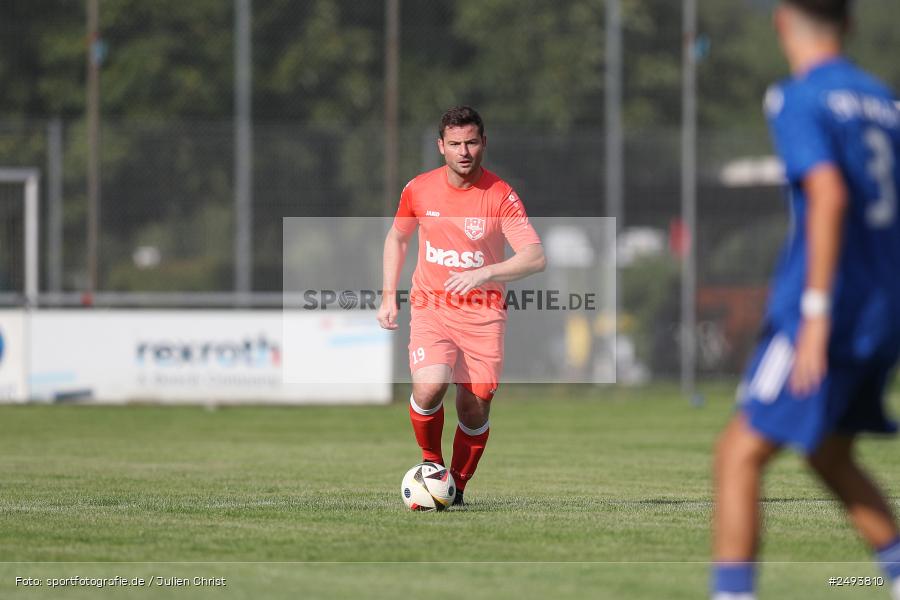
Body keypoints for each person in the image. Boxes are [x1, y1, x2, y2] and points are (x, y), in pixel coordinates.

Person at [711, 1, 900, 598]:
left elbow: (828, 193)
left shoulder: (799, 96)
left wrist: (815, 313)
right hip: (882, 306)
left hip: (829, 307)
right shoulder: (883, 104)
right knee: (829, 453)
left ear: (781, 21)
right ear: (848, 24)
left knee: (738, 455)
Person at [377, 106, 546, 506]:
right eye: (455, 144)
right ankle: (431, 465)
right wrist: (388, 294)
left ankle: (455, 490)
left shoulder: (500, 194)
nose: (464, 151)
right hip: (431, 307)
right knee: (430, 385)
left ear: (484, 143)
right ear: (441, 147)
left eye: (471, 142)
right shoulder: (418, 189)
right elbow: (397, 239)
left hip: (483, 317)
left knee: (473, 409)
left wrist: (486, 273)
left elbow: (535, 257)